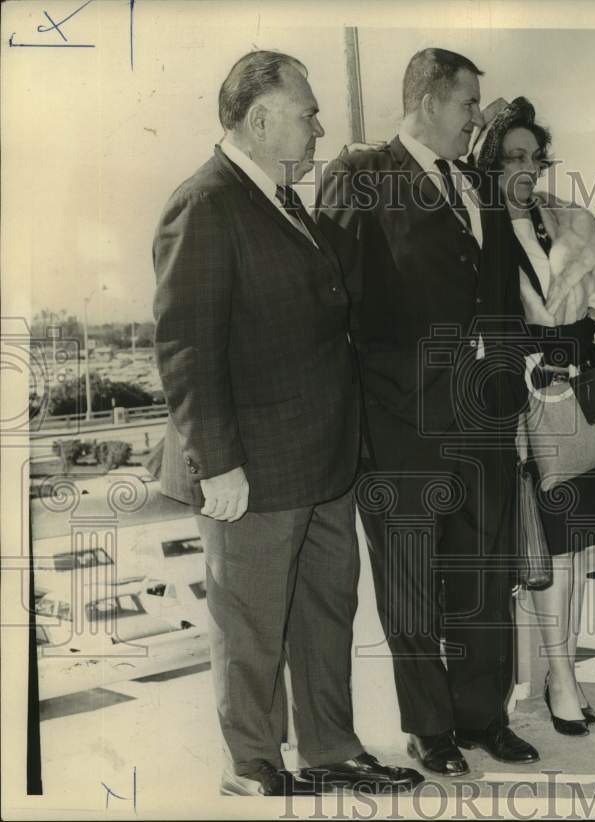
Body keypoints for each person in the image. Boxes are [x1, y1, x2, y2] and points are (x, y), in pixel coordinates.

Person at [152, 50, 422, 796]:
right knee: (251, 627)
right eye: (306, 114)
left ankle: (333, 748)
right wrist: (219, 464)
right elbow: (186, 346)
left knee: (326, 612)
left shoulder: (280, 199)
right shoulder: (204, 203)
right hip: (254, 468)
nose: (319, 127)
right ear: (262, 118)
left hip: (324, 461)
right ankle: (254, 766)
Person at [314, 48, 539, 777]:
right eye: (470, 104)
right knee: (410, 581)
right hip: (402, 421)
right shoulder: (361, 176)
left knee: (484, 576)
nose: (479, 118)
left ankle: (483, 716)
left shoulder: (479, 186)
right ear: (430, 101)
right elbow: (334, 302)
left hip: (486, 418)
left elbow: (501, 297)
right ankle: (430, 728)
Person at [475, 97, 595, 736]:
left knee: (563, 551)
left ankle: (561, 677)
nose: (525, 169)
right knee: (508, 549)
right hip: (497, 407)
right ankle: (509, 683)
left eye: (534, 158)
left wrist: (580, 341)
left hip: (569, 406)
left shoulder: (573, 224)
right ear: (488, 162)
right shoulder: (468, 224)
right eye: (511, 157)